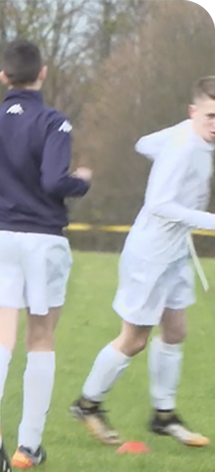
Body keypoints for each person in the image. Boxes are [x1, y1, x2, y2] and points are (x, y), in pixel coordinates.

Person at [0, 39, 92, 472]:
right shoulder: (54, 122)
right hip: (42, 239)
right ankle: (29, 446)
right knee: (41, 339)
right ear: (43, 73)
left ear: (3, 77)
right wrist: (81, 181)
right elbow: (54, 180)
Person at [70, 76, 215, 449]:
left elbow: (143, 143)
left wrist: (180, 132)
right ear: (194, 110)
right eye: (211, 116)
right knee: (133, 340)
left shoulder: (188, 135)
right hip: (150, 255)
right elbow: (159, 204)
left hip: (176, 252)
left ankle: (163, 415)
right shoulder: (184, 149)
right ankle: (87, 403)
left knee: (176, 330)